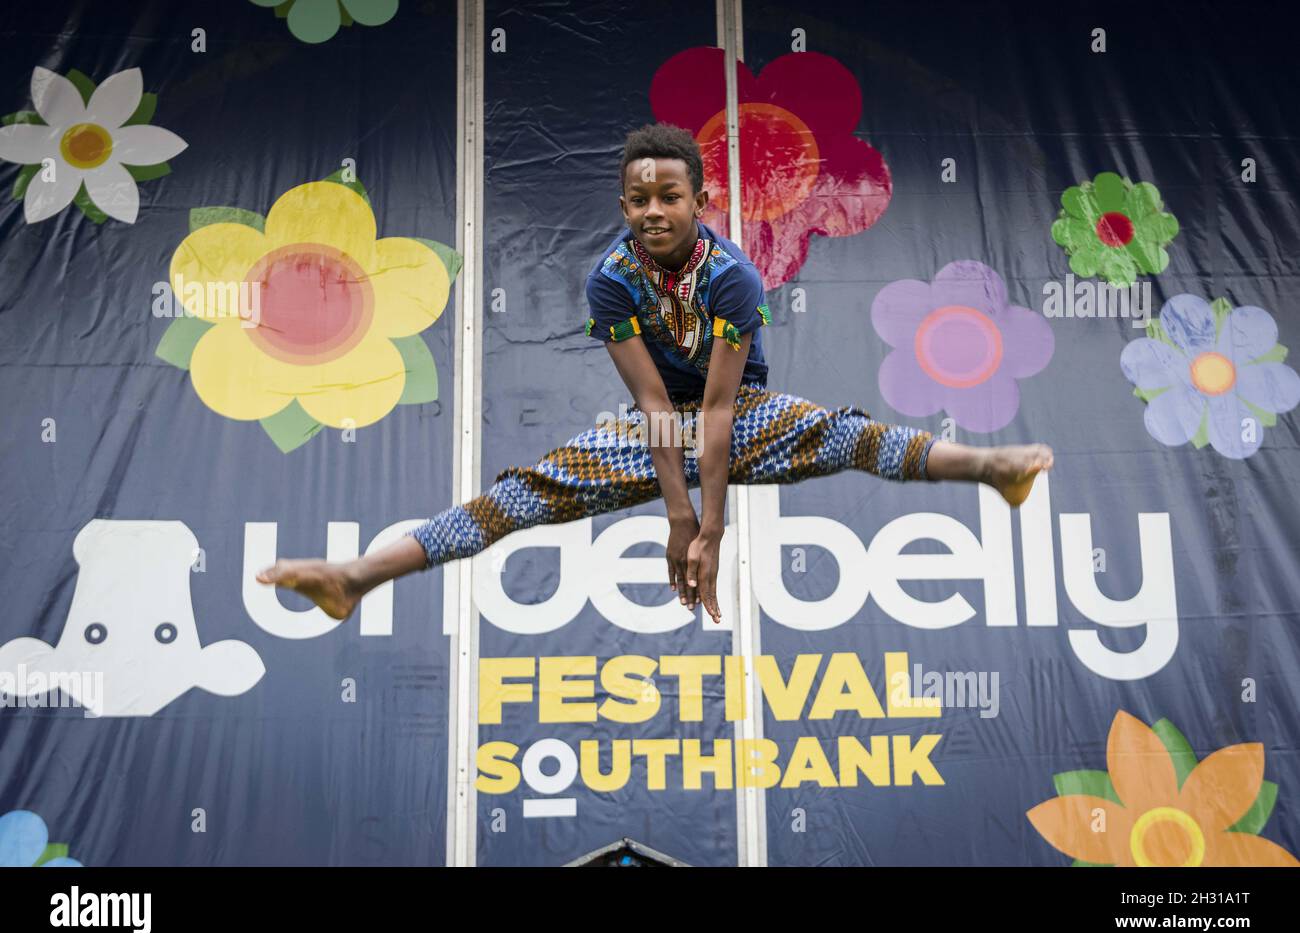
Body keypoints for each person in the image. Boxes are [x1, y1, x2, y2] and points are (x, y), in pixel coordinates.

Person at [257, 123, 1053, 625]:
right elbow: (652, 402)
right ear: (624, 204)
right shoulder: (611, 279)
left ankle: (992, 465)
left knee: (848, 437)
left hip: (735, 408)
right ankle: (356, 576)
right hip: (653, 428)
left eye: (669, 195)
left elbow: (715, 412)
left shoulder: (734, 278)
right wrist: (679, 519)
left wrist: (710, 527)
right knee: (521, 496)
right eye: (638, 198)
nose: (653, 210)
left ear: (699, 200)